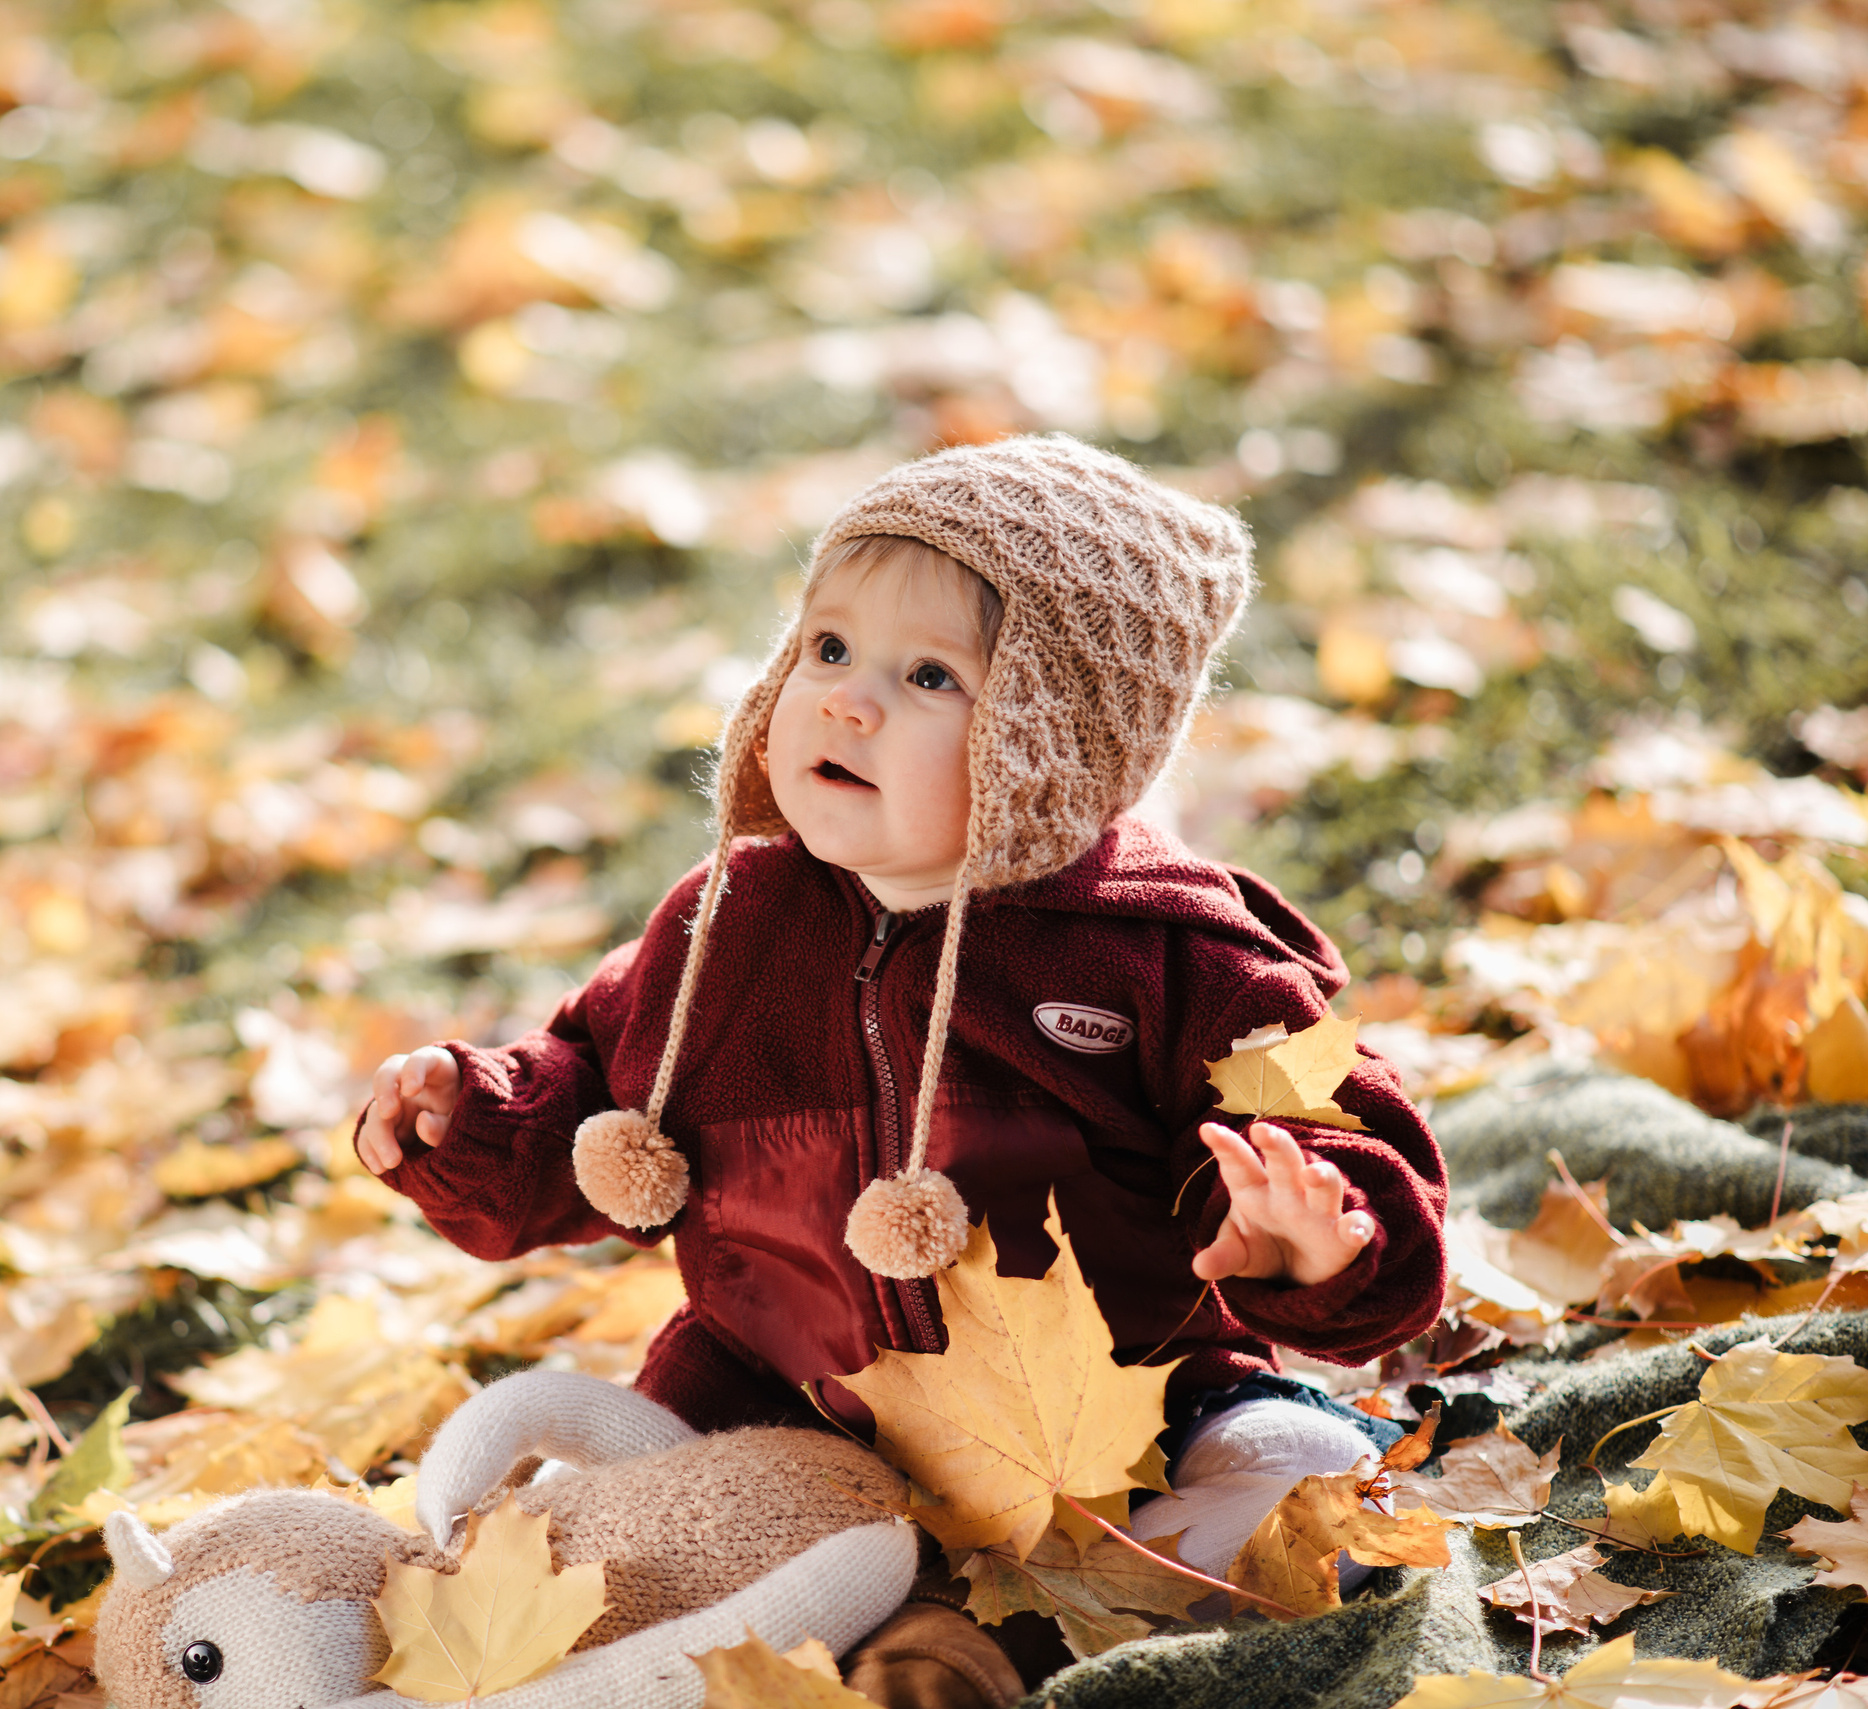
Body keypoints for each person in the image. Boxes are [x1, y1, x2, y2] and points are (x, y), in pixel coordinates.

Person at [353, 435, 1448, 1706]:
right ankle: (852, 1631)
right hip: (786, 1412)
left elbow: (1332, 1134)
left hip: (1122, 1429)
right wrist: (471, 1120)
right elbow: (595, 1105)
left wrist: (1309, 1235)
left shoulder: (1164, 950)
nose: (848, 701)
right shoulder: (728, 927)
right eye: (826, 650)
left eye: (928, 675)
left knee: (1291, 1471)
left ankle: (999, 1638)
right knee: (592, 1539)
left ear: (1059, 739)